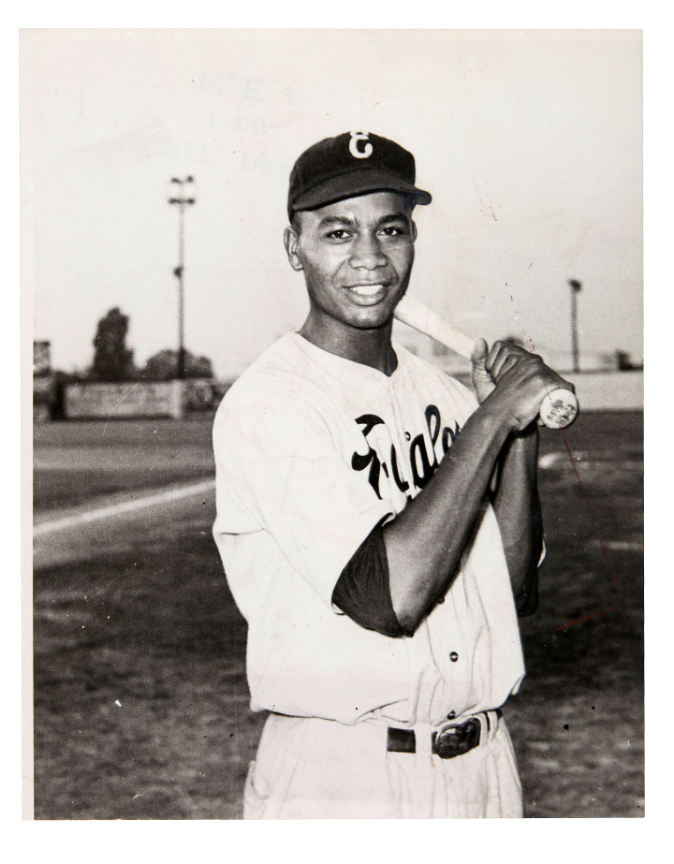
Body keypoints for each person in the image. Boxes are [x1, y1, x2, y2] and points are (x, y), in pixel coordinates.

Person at [212, 131, 570, 818]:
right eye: (338, 233)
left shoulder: (447, 395)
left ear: (413, 240)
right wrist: (494, 418)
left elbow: (512, 588)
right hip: (344, 779)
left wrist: (517, 433)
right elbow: (388, 599)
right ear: (295, 248)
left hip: (484, 770)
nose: (370, 259)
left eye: (392, 230)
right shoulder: (273, 403)